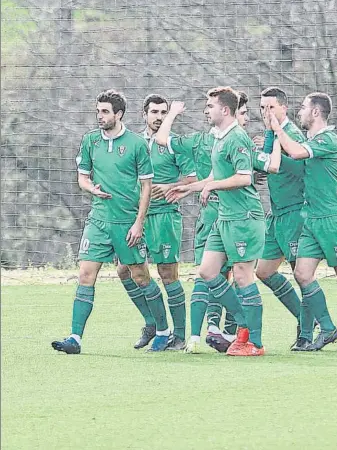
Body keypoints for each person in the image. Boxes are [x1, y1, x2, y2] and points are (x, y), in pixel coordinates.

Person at [155, 91, 281, 353]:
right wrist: (186, 188)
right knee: (207, 271)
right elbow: (215, 175)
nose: (205, 111)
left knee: (243, 276)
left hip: (244, 218)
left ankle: (254, 343)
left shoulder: (237, 138)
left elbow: (244, 178)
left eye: (210, 106)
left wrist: (211, 186)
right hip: (224, 218)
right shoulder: (217, 138)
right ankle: (246, 321)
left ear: (225, 111)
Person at [52, 89, 169, 354]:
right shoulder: (90, 141)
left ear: (119, 114)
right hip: (99, 220)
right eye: (98, 111)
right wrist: (91, 188)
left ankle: (162, 330)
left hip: (127, 222)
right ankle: (75, 338)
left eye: (105, 111)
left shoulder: (137, 144)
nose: (100, 116)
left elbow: (147, 187)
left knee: (140, 276)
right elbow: (82, 177)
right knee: (85, 274)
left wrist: (139, 223)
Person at [272, 92, 337, 351]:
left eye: (303, 107)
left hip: (335, 217)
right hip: (313, 218)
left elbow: (294, 152)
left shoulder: (327, 139)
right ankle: (327, 329)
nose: (300, 111)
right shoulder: (311, 140)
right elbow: (290, 163)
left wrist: (276, 128)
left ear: (316, 112)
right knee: (302, 274)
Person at [119, 94, 197, 351]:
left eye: (164, 112)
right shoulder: (133, 143)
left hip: (164, 217)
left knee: (167, 274)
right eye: (154, 112)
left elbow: (192, 178)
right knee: (124, 270)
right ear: (144, 114)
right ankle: (153, 322)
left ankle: (179, 335)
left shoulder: (174, 144)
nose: (159, 117)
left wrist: (171, 185)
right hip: (135, 218)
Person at [252, 87, 307, 345]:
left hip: (295, 212)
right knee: (263, 271)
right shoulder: (269, 133)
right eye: (262, 108)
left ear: (284, 108)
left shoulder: (292, 135)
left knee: (302, 274)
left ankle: (310, 330)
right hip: (276, 215)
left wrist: (272, 158)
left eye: (270, 107)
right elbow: (264, 170)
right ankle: (305, 317)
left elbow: (299, 168)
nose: (265, 112)